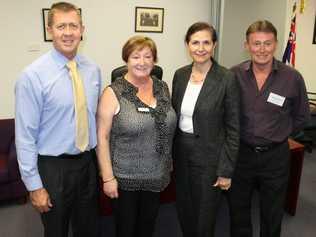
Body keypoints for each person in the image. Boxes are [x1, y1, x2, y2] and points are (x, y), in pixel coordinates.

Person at [15, 2, 101, 237]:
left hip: (87, 163)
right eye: (61, 26)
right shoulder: (32, 77)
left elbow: (94, 120)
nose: (68, 32)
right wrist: (34, 186)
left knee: (89, 228)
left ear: (82, 29)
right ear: (50, 30)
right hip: (53, 169)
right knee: (56, 231)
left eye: (73, 25)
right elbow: (25, 137)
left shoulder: (93, 70)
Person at [228, 20, 310, 237]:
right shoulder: (233, 75)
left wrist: (279, 133)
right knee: (238, 211)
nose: (262, 49)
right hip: (241, 156)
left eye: (267, 43)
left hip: (276, 157)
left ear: (275, 44)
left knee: (272, 213)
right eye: (256, 44)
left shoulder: (292, 77)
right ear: (247, 45)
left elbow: (301, 116)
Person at [96, 35, 176, 237]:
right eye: (136, 56)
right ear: (126, 60)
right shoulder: (113, 93)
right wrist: (107, 178)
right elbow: (102, 137)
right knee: (126, 229)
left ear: (154, 60)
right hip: (124, 179)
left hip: (157, 175)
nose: (142, 62)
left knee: (147, 227)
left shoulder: (162, 87)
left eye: (148, 56)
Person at [172, 22, 240, 237]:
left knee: (205, 214)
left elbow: (233, 128)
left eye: (206, 43)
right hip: (181, 152)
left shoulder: (227, 78)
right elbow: (174, 117)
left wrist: (226, 170)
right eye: (195, 42)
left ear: (214, 45)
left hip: (210, 157)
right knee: (184, 207)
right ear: (187, 45)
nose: (200, 48)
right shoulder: (180, 75)